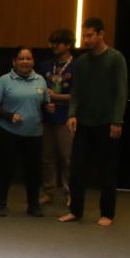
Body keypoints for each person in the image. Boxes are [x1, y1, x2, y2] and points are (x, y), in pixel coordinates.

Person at [59, 17, 127, 226]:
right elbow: (76, 91)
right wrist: (72, 114)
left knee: (107, 170)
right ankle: (75, 210)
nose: (86, 40)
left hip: (107, 122)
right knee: (77, 168)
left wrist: (117, 121)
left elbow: (121, 91)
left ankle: (107, 213)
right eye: (84, 36)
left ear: (101, 34)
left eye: (89, 35)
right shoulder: (82, 62)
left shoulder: (115, 58)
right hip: (84, 122)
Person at [0, 47, 50, 217]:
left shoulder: (40, 80)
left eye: (28, 58)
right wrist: (9, 116)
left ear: (33, 61)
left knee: (33, 172)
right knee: (5, 169)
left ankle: (33, 205)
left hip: (34, 133)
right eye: (21, 58)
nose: (25, 62)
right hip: (9, 132)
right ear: (14, 61)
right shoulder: (5, 80)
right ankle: (0, 205)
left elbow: (44, 103)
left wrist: (48, 107)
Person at [39, 29, 75, 205]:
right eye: (52, 42)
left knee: (67, 158)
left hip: (66, 117)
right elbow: (39, 89)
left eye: (57, 42)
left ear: (68, 45)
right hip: (47, 116)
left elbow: (79, 95)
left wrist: (56, 97)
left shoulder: (77, 66)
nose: (53, 46)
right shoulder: (46, 65)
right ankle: (49, 191)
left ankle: (70, 193)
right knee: (47, 157)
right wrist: (46, 100)